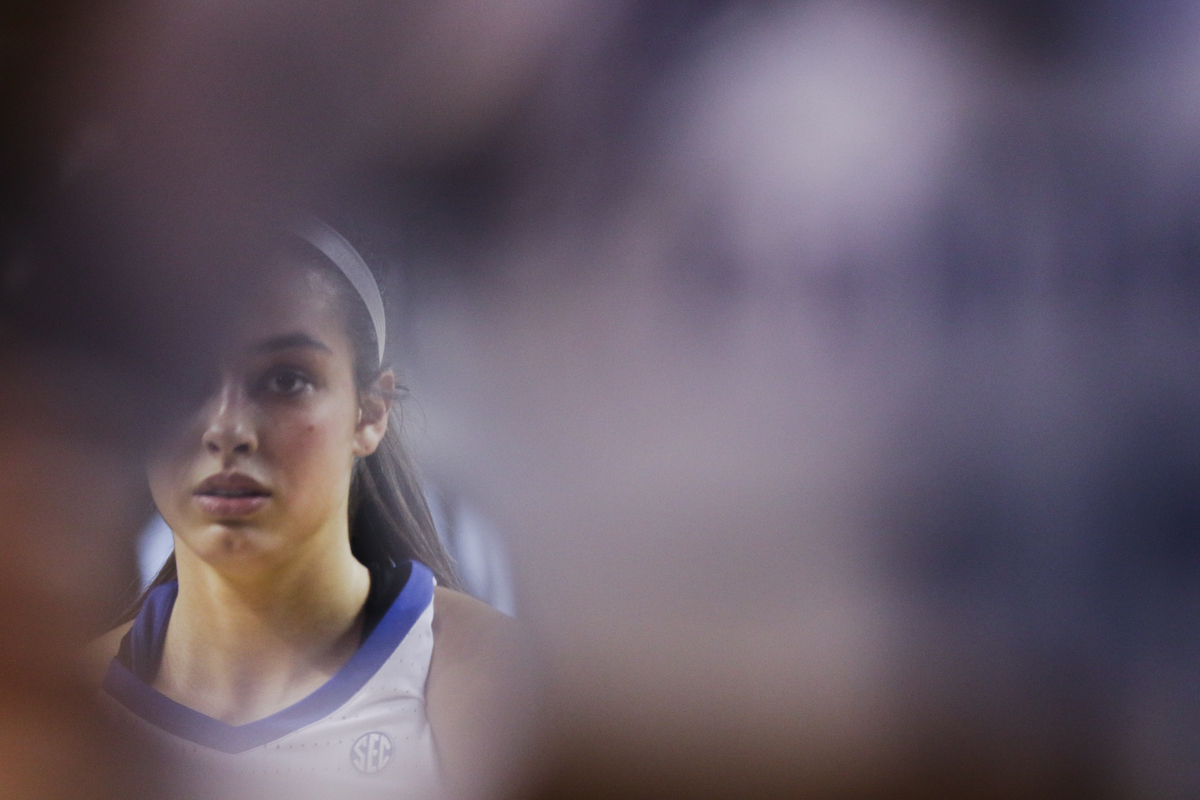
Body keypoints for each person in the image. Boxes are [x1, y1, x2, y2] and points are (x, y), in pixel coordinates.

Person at [83, 221, 533, 800]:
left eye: (286, 380)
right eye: (184, 380)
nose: (227, 428)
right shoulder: (58, 704)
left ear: (371, 413)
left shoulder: (489, 676)